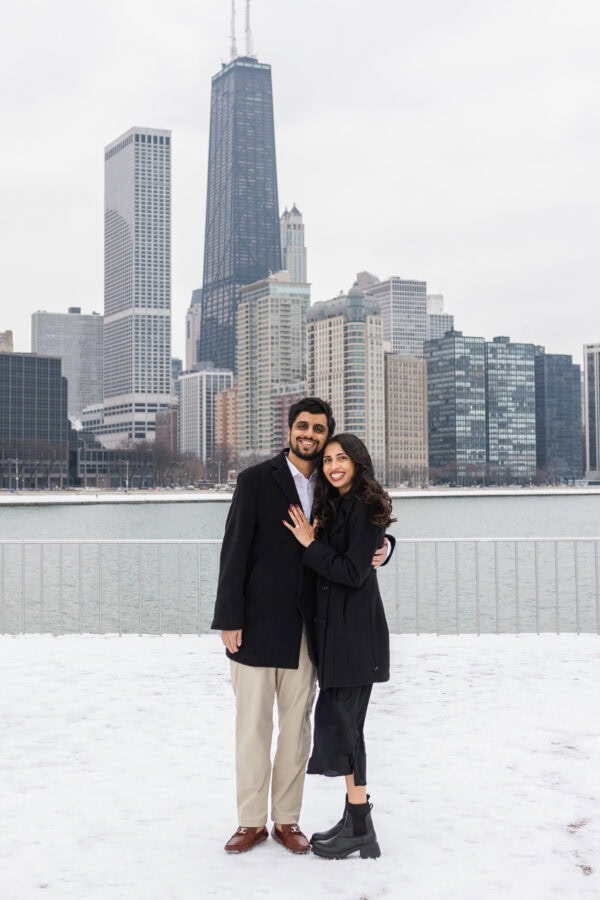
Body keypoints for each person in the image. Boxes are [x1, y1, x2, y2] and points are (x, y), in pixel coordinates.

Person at [212, 399, 392, 855]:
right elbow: (233, 551)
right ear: (290, 430)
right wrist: (229, 619)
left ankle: (286, 820)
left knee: (297, 730)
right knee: (252, 728)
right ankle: (250, 821)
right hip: (255, 627)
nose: (310, 435)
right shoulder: (255, 480)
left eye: (319, 429)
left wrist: (387, 544)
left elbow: (363, 527)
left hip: (311, 633)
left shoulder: (333, 490)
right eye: (303, 427)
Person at [283, 433, 395, 860]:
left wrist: (311, 544)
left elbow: (352, 571)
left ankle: (360, 826)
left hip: (355, 639)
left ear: (358, 461)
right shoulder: (337, 505)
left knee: (345, 730)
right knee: (350, 732)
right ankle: (356, 820)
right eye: (327, 459)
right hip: (338, 637)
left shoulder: (367, 506)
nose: (332, 466)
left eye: (341, 458)